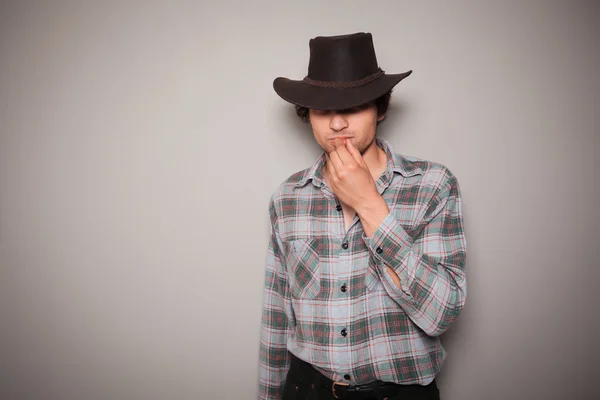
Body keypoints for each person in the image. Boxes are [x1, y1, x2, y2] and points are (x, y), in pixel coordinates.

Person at [258, 32, 467, 400]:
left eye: (353, 107)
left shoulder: (433, 185)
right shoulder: (287, 198)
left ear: (380, 108)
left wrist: (370, 205)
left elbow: (442, 314)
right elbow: (277, 319)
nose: (337, 124)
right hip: (307, 390)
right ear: (308, 115)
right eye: (324, 110)